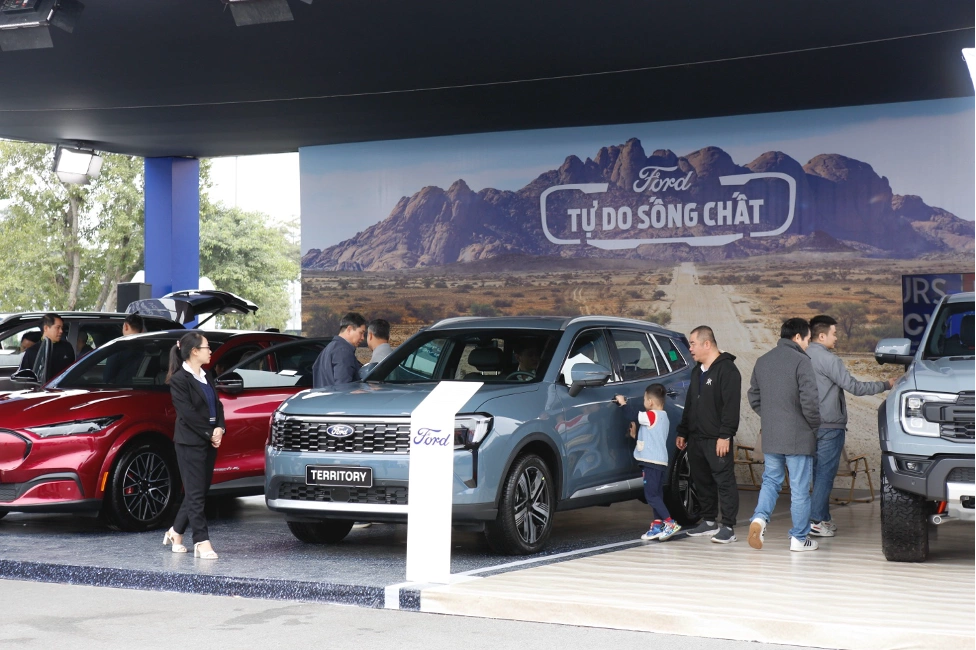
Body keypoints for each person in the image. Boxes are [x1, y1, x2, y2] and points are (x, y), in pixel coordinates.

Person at [806, 314, 898, 537]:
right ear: (821, 336)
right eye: (834, 333)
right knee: (825, 475)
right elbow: (854, 387)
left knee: (816, 474)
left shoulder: (800, 357)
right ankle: (816, 521)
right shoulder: (829, 360)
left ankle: (822, 518)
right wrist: (886, 384)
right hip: (830, 426)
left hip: (807, 425)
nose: (836, 338)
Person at [747, 318, 822, 553]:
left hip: (772, 435)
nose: (808, 345)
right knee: (799, 489)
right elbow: (810, 402)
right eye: (808, 339)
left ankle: (759, 519)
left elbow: (754, 397)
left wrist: (771, 417)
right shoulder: (802, 361)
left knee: (771, 481)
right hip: (798, 436)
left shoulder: (763, 361)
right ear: (797, 337)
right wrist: (815, 426)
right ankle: (799, 538)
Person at [675, 325, 741, 544]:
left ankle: (728, 527)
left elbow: (731, 407)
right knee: (701, 479)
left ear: (707, 343)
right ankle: (709, 521)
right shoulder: (697, 371)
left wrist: (725, 435)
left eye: (693, 344)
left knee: (724, 481)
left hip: (717, 439)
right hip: (696, 438)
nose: (690, 348)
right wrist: (683, 430)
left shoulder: (728, 370)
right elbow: (690, 403)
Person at [163, 331, 225, 560]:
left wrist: (220, 428)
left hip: (208, 439)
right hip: (190, 442)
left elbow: (217, 406)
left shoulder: (206, 375)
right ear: (194, 351)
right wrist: (209, 433)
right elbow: (187, 414)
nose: (210, 351)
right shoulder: (179, 379)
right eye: (207, 347)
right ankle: (201, 541)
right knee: (196, 494)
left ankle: (175, 531)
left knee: (197, 491)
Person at [615, 384, 681, 541]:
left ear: (650, 402)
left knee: (651, 495)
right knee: (657, 495)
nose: (643, 402)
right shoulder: (663, 417)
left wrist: (622, 403)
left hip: (651, 463)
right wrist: (635, 436)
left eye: (644, 399)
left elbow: (631, 415)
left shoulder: (651, 415)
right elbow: (652, 438)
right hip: (659, 462)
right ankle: (657, 525)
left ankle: (670, 523)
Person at [312, 312, 366, 388]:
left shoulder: (329, 348)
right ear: (349, 329)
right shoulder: (343, 351)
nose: (363, 338)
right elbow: (343, 387)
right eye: (361, 333)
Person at [19, 313, 75, 380]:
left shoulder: (67, 347)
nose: (61, 331)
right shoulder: (32, 351)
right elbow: (24, 378)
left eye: (61, 328)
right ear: (46, 328)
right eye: (58, 328)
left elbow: (73, 372)